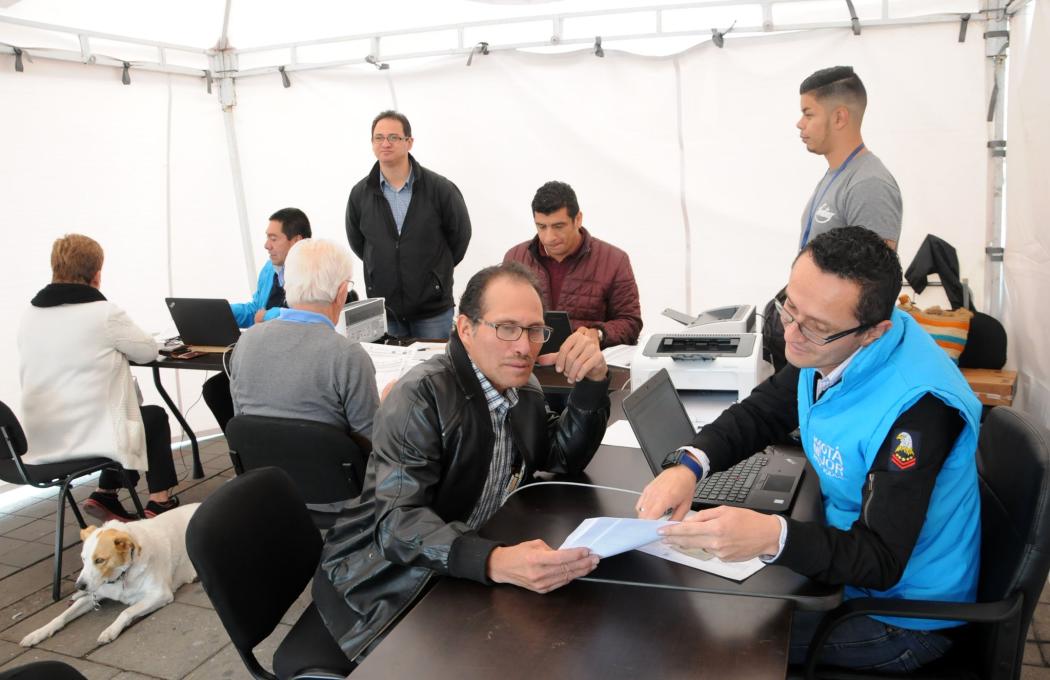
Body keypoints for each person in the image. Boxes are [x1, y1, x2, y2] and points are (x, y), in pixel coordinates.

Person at [637, 227, 981, 673]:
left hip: (903, 617)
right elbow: (761, 413)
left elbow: (881, 560)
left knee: (715, 648)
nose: (792, 335)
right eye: (789, 307)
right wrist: (688, 465)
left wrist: (770, 536)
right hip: (843, 577)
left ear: (874, 331)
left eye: (816, 327)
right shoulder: (827, 349)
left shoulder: (918, 410)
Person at [313, 262, 610, 664]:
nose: (524, 346)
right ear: (465, 329)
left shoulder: (522, 387)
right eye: (506, 328)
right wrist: (494, 560)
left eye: (534, 330)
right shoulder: (420, 397)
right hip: (387, 581)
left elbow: (558, 456)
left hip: (461, 559)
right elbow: (397, 525)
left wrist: (593, 382)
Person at [18, 234, 180, 521]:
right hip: (89, 434)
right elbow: (144, 352)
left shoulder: (31, 313)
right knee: (151, 418)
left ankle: (106, 494)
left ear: (55, 267)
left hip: (42, 436)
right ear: (96, 274)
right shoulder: (103, 313)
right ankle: (159, 502)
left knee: (126, 417)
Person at [766, 66, 903, 371]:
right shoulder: (837, 174)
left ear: (839, 117)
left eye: (808, 113)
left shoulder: (869, 184)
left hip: (839, 357)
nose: (799, 124)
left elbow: (871, 287)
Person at [230, 238, 379, 445]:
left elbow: (242, 421)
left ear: (287, 285)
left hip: (263, 473)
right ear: (342, 293)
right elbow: (370, 442)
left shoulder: (245, 343)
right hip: (334, 474)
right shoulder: (347, 355)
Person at [345, 110, 472, 339]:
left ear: (409, 142)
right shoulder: (360, 194)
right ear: (372, 143)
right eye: (379, 138)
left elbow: (459, 238)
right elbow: (359, 243)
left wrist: (435, 275)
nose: (385, 143)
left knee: (436, 372)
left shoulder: (440, 189)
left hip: (432, 312)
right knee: (393, 374)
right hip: (386, 312)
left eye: (393, 137)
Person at [202, 207, 311, 432]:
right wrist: (221, 311)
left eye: (273, 238)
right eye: (267, 238)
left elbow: (313, 316)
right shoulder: (269, 269)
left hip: (296, 362)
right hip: (264, 355)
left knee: (225, 389)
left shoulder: (315, 272)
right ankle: (243, 452)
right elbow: (256, 310)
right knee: (215, 389)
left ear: (296, 241)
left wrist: (270, 316)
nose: (266, 245)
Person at [504, 181, 642, 347]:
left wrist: (598, 333)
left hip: (586, 365)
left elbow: (631, 322)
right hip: (528, 360)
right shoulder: (516, 258)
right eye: (541, 227)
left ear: (578, 219)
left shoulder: (614, 260)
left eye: (558, 226)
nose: (549, 237)